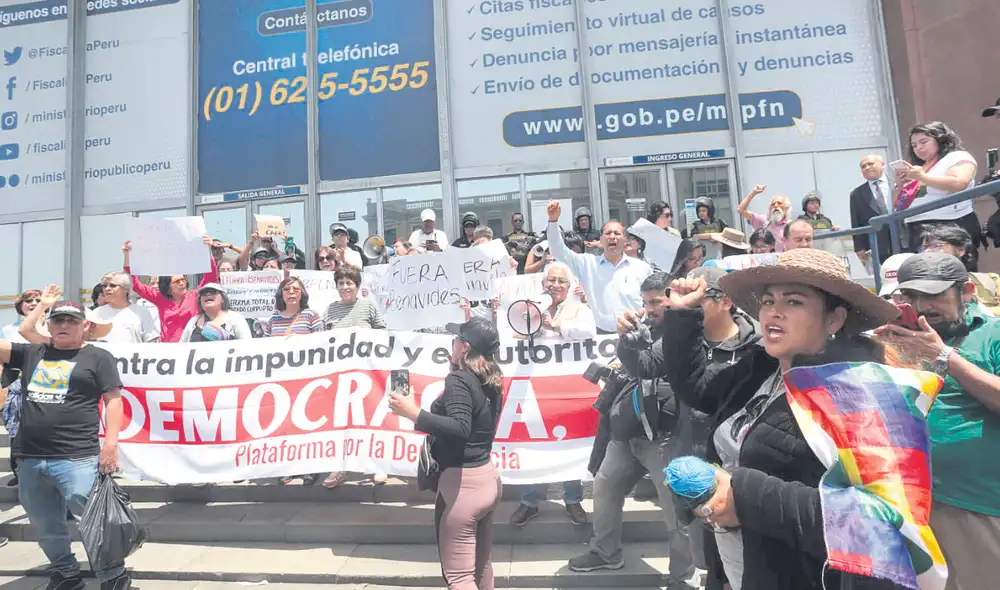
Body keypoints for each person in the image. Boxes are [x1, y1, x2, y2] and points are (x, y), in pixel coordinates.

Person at [660, 248, 900, 590]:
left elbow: (875, 521)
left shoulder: (861, 393)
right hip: (739, 566)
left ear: (834, 319)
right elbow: (700, 391)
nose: (774, 312)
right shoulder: (762, 367)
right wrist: (683, 316)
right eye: (769, 301)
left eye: (794, 302)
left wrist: (741, 494)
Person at [873, 252, 1000, 590]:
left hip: (974, 505)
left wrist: (943, 356)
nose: (922, 305)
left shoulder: (993, 334)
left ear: (968, 291)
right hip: (906, 505)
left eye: (934, 295)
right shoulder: (898, 338)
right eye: (912, 296)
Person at [569, 272, 695, 587]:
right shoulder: (647, 328)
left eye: (656, 302)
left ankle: (683, 574)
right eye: (645, 302)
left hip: (666, 438)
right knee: (604, 486)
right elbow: (632, 366)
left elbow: (646, 364)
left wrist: (624, 339)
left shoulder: (684, 332)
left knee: (675, 512)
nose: (649, 308)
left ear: (673, 299)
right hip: (628, 434)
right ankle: (605, 552)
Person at [0, 301, 130, 590]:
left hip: (77, 457)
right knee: (46, 526)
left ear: (85, 325)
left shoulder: (99, 357)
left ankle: (112, 574)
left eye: (71, 321)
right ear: (49, 325)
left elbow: (114, 400)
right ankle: (66, 573)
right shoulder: (32, 352)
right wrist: (42, 306)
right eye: (57, 320)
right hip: (30, 458)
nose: (63, 325)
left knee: (95, 521)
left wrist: (111, 444)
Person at [388, 318, 503, 590]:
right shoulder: (491, 376)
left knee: (459, 578)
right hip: (487, 479)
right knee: (480, 566)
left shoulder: (460, 380)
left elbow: (460, 427)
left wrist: (411, 412)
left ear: (465, 348)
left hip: (463, 487)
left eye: (456, 339)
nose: (451, 343)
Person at [684, 267, 762, 590]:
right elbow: (652, 364)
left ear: (726, 301)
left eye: (698, 300)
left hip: (742, 475)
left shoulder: (759, 348)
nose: (691, 307)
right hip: (698, 462)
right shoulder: (685, 340)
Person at [508, 263, 593, 527]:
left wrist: (554, 326)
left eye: (561, 281)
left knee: (568, 442)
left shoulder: (580, 309)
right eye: (551, 280)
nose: (555, 285)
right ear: (543, 285)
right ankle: (529, 501)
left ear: (569, 287)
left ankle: (572, 499)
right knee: (531, 442)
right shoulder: (532, 307)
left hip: (568, 391)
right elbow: (513, 334)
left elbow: (588, 332)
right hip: (534, 391)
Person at [545, 200, 652, 334]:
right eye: (608, 234)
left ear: (625, 240)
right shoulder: (587, 264)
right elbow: (558, 251)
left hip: (634, 333)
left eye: (617, 233)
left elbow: (652, 301)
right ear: (601, 240)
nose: (612, 237)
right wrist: (553, 221)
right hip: (600, 337)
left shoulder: (642, 268)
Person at [896, 122, 980, 254]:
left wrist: (922, 177)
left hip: (948, 224)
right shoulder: (918, 168)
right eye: (914, 145)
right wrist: (900, 185)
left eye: (924, 142)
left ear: (940, 139)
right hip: (915, 227)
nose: (919, 148)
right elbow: (901, 203)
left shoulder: (957, 156)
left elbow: (959, 183)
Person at [121, 237, 218, 343]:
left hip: (191, 348)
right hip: (168, 351)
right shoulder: (160, 298)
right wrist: (127, 256)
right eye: (177, 281)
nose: (182, 283)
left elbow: (211, 278)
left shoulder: (194, 295)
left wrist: (207, 251)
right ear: (167, 286)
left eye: (183, 279)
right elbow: (135, 284)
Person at [91, 272, 160, 344]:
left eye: (113, 285)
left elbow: (151, 341)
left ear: (125, 289)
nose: (107, 289)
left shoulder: (141, 312)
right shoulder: (96, 313)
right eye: (104, 286)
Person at [850, 155, 894, 265]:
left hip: (903, 239)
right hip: (878, 244)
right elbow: (856, 222)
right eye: (863, 166)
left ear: (883, 164)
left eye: (871, 164)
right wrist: (859, 247)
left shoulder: (897, 184)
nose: (867, 168)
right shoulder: (857, 194)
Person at [179, 284, 252, 342]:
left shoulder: (235, 318)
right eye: (203, 293)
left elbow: (246, 344)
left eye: (212, 292)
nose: (207, 294)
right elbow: (181, 348)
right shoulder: (193, 321)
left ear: (223, 299)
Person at [736, 184, 792, 252]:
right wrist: (753, 193)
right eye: (773, 204)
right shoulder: (763, 221)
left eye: (779, 203)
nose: (776, 206)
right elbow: (741, 209)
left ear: (786, 208)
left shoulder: (790, 226)